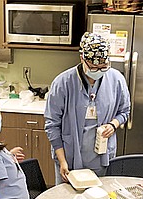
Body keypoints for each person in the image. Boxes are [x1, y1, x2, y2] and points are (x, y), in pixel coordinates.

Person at [44, 32, 130, 184]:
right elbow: (52, 126)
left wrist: (113, 124)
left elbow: (124, 111)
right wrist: (62, 161)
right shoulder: (63, 83)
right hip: (69, 158)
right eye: (93, 67)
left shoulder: (116, 79)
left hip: (101, 157)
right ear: (82, 58)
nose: (98, 71)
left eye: (103, 67)